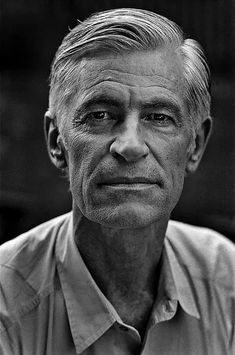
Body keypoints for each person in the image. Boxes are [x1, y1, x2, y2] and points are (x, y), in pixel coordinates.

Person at [0, 8, 234, 355]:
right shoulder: (6, 303)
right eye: (99, 115)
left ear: (195, 145)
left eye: (158, 117)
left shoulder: (226, 279)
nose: (130, 145)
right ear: (56, 142)